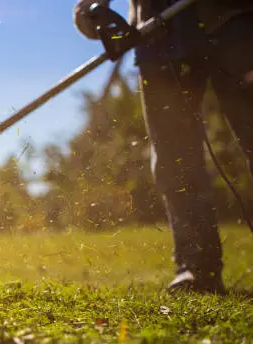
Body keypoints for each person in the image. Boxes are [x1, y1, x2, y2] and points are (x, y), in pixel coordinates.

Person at [73, 0, 253, 294]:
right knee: (175, 157)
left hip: (235, 25)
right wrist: (93, 13)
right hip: (157, 36)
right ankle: (197, 269)